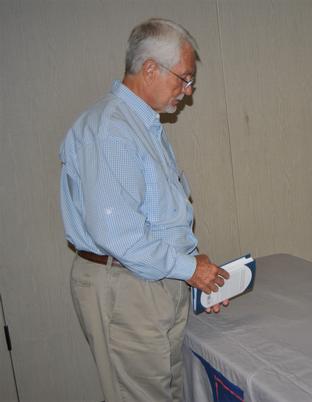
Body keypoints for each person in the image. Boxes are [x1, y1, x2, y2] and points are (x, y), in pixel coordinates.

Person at [60, 18, 229, 402]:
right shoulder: (111, 130)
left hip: (150, 279)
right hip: (126, 284)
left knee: (167, 390)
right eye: (184, 79)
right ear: (150, 68)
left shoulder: (142, 126)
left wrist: (191, 262)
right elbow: (119, 236)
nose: (187, 92)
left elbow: (155, 216)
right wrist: (190, 270)